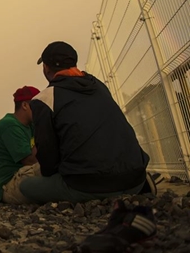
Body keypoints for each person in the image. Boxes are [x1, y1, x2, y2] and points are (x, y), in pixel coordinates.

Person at [19, 41, 152, 204]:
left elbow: (48, 158)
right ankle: (137, 186)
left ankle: (103, 192)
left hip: (88, 185)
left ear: (46, 68)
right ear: (73, 62)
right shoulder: (98, 86)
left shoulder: (44, 99)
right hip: (135, 178)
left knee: (25, 186)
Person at [0, 86, 41, 204]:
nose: (41, 111)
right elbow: (30, 161)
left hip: (22, 178)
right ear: (25, 105)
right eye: (38, 107)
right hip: (9, 187)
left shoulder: (30, 126)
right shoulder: (9, 126)